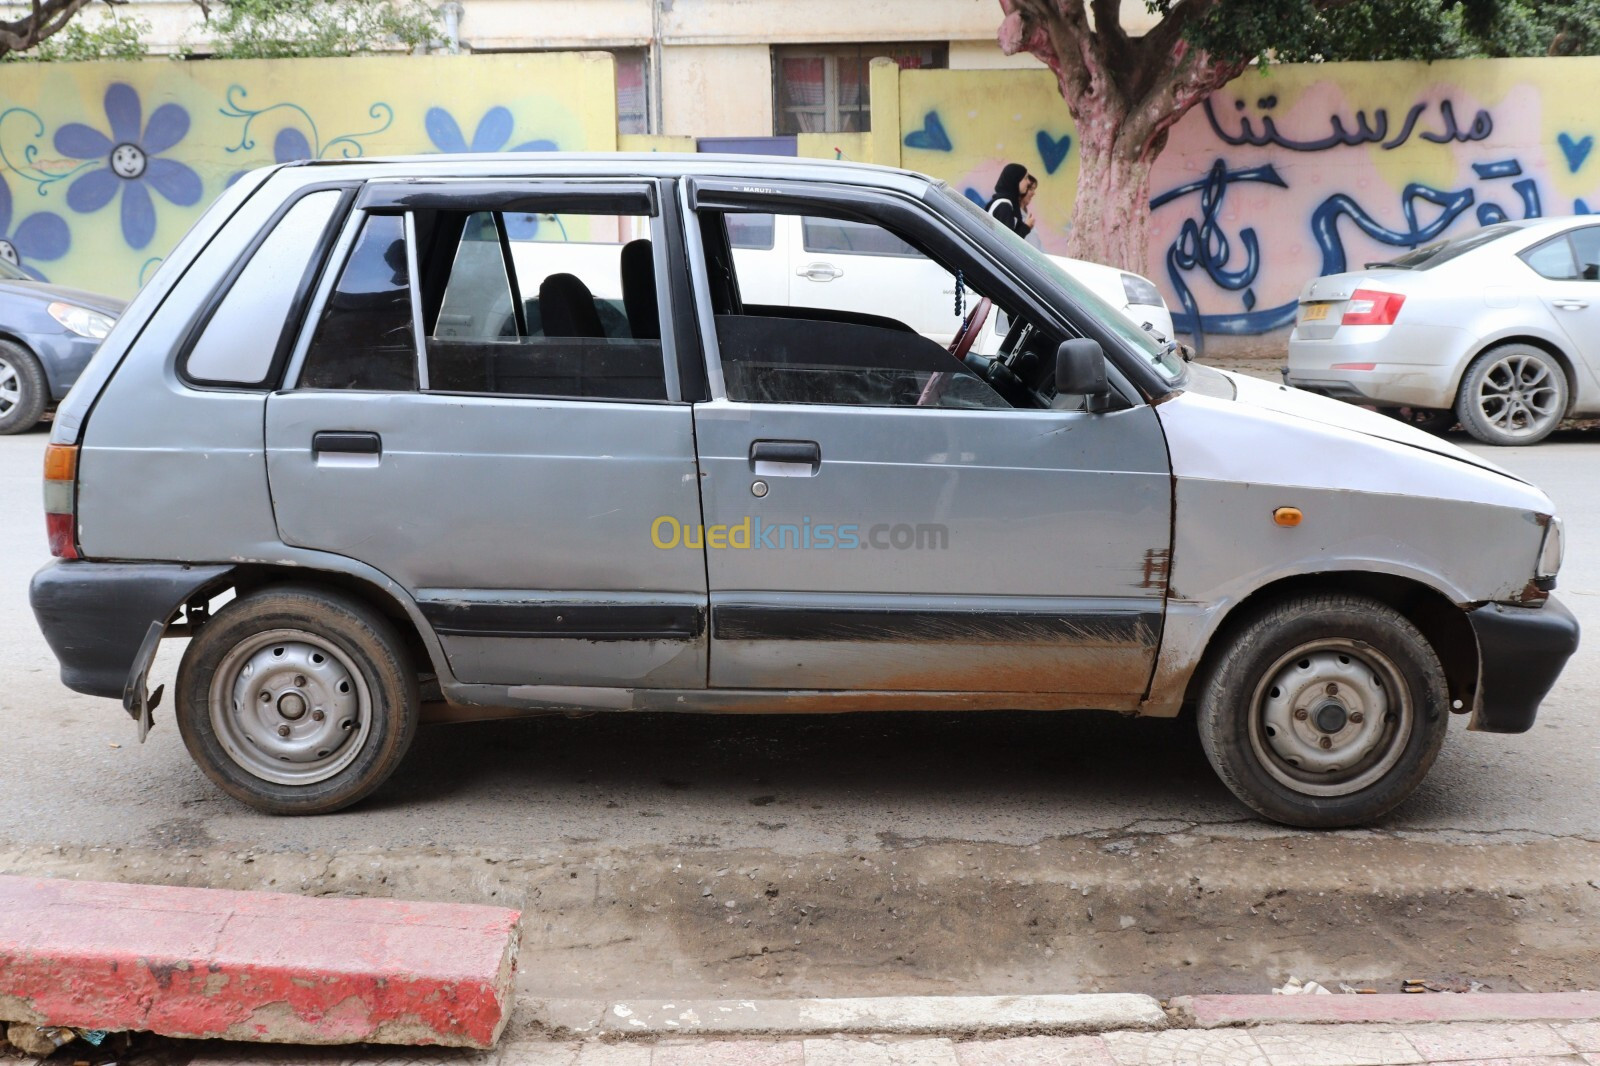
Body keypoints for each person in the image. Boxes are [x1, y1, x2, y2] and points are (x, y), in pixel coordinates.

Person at [986, 163, 1036, 238]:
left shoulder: (1009, 204)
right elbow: (1007, 243)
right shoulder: (1004, 207)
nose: (1028, 182)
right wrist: (1026, 227)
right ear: (1015, 180)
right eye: (1025, 178)